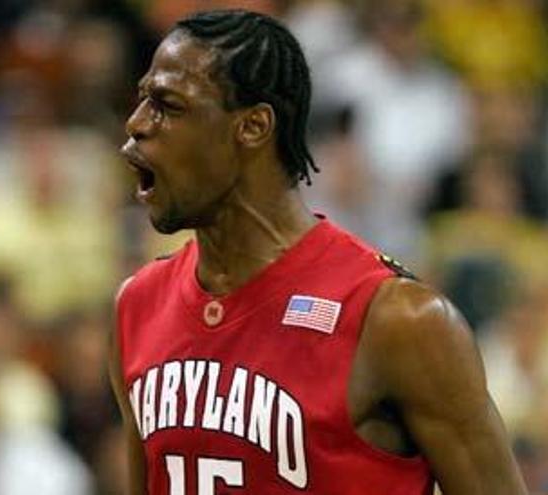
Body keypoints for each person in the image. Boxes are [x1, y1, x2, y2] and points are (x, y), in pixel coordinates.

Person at [109, 9, 526, 495]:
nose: (136, 124)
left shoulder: (398, 320)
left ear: (253, 126)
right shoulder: (137, 304)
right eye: (143, 100)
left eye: (168, 105)